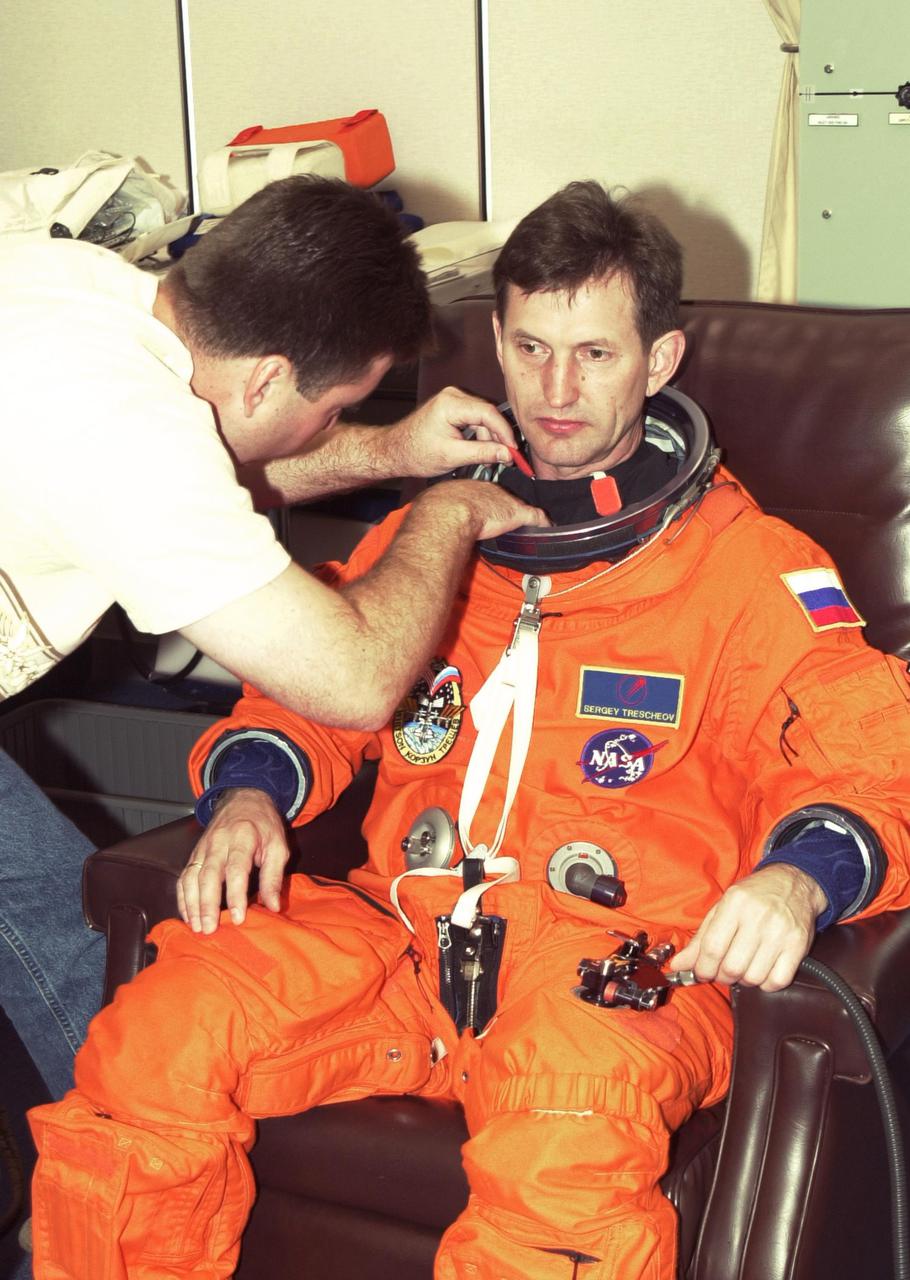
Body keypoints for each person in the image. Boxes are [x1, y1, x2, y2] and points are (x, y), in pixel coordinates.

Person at [28, 181, 910, 1280]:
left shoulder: (745, 569)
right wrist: (249, 792)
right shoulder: (435, 537)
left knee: (564, 1138)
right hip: (401, 934)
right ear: (494, 341)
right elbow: (302, 691)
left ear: (661, 361)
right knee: (156, 1039)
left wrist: (799, 879)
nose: (556, 389)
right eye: (530, 348)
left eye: (594, 354)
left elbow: (874, 750)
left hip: (611, 967)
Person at [0, 173, 544, 1105]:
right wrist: (446, 512)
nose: (334, 427)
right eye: (333, 411)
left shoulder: (72, 285)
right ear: (266, 377)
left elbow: (203, 473)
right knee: (86, 987)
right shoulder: (124, 432)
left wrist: (393, 449)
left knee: (60, 936)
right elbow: (360, 681)